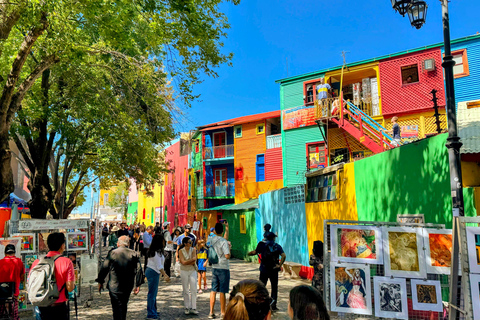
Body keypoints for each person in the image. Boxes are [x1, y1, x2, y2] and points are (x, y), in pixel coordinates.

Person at [96, 235, 144, 320]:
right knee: (124, 305)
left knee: (116, 308)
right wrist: (138, 284)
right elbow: (139, 270)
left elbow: (104, 267)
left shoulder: (113, 253)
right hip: (127, 285)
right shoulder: (133, 254)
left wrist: (100, 281)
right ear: (128, 244)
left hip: (114, 285)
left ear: (118, 244)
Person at [30, 233, 75, 320]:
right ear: (62, 246)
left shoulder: (37, 262)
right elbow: (70, 288)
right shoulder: (67, 262)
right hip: (58, 307)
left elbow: (30, 283)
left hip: (41, 305)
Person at [248, 232, 286, 311]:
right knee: (274, 288)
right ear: (274, 238)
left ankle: (260, 304)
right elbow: (283, 255)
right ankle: (273, 305)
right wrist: (280, 265)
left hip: (264, 270)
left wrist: (249, 253)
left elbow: (254, 252)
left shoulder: (261, 245)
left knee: (261, 287)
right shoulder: (277, 246)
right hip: (274, 270)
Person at [209, 222, 231, 319]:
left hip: (214, 267)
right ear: (221, 231)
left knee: (213, 290)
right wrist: (229, 250)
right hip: (223, 267)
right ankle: (223, 313)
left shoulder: (211, 239)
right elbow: (227, 255)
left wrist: (227, 228)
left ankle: (211, 312)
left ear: (214, 231)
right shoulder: (223, 242)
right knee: (222, 291)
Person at [145, 234, 170, 319]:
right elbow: (159, 266)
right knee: (152, 294)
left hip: (152, 272)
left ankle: (153, 310)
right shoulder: (156, 253)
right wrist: (165, 275)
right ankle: (151, 313)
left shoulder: (155, 251)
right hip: (153, 272)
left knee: (153, 294)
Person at [0, 244, 24, 320]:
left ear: (5, 253)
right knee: (14, 316)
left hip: (0, 294)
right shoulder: (19, 262)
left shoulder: (0, 262)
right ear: (14, 253)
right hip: (14, 294)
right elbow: (22, 277)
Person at [179, 237, 198, 315]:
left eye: (191, 242)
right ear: (185, 243)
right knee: (185, 290)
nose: (191, 243)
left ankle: (193, 307)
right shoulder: (181, 251)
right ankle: (187, 307)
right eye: (189, 242)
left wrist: (187, 262)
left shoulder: (193, 250)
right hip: (184, 271)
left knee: (193, 289)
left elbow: (194, 260)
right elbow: (183, 262)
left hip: (192, 270)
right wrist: (191, 261)